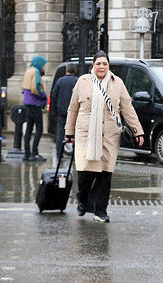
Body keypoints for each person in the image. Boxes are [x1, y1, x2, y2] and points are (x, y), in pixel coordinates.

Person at [65, 51, 144, 222]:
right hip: (86, 135)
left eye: (105, 64)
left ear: (109, 66)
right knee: (85, 174)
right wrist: (69, 132)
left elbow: (127, 109)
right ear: (92, 65)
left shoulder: (118, 83)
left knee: (105, 175)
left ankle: (100, 211)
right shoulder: (82, 82)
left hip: (109, 135)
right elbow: (73, 108)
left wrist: (138, 131)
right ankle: (83, 199)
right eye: (98, 63)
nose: (102, 67)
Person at [21, 55, 48, 161]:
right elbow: (35, 87)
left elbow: (23, 88)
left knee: (28, 129)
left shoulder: (28, 71)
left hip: (27, 103)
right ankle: (35, 152)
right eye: (43, 65)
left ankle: (27, 153)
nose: (43, 67)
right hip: (35, 104)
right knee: (39, 128)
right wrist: (43, 95)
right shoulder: (35, 71)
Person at [52, 63, 78, 159]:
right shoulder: (77, 81)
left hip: (62, 111)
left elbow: (54, 96)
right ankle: (75, 155)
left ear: (66, 70)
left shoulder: (60, 81)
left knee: (60, 133)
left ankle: (59, 154)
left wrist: (55, 109)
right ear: (75, 71)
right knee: (75, 133)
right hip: (74, 111)